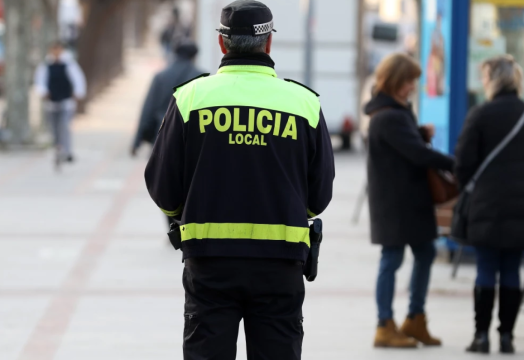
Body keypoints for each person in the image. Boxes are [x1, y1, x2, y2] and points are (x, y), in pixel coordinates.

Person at [144, 1, 335, 359]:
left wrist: (185, 209)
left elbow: (162, 186)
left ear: (222, 44)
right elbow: (319, 194)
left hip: (210, 264)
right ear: (268, 44)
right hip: (281, 265)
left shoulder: (190, 99)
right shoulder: (303, 104)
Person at [364, 53, 454, 349]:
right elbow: (418, 154)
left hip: (403, 200)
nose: (413, 86)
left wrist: (417, 132)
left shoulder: (390, 111)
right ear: (394, 81)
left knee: (423, 253)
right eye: (409, 81)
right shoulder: (389, 115)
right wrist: (457, 163)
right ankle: (385, 324)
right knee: (392, 259)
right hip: (397, 203)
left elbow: (403, 144)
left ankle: (414, 320)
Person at [455, 55, 524, 355]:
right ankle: (507, 337)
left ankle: (481, 337)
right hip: (521, 207)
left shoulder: (481, 114)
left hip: (486, 205)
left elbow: (462, 164)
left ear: (491, 79)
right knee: (512, 269)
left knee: (485, 268)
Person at [132, 42, 204, 157]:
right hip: (190, 137)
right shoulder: (201, 78)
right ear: (194, 56)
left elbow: (148, 109)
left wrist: (136, 142)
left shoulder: (160, 77)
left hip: (161, 136)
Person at [34, 42, 87, 163]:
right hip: (51, 102)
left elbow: (78, 79)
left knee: (65, 126)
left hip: (66, 100)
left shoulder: (69, 64)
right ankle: (57, 147)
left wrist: (78, 93)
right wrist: (43, 92)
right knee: (53, 128)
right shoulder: (46, 65)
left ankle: (67, 151)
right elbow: (39, 81)